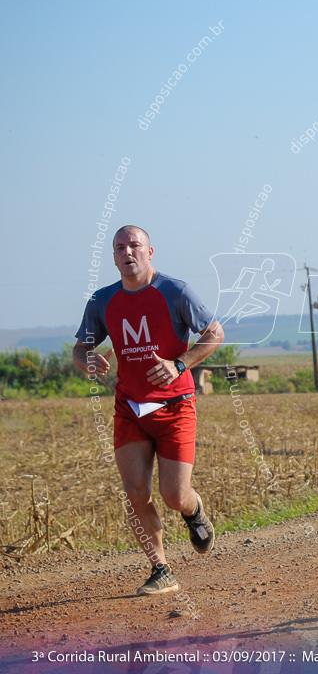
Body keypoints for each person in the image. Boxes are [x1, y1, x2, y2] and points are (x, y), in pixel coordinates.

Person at [73, 226, 224, 595]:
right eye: (120, 247)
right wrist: (87, 361)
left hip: (175, 406)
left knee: (174, 495)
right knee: (135, 491)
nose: (128, 252)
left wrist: (180, 363)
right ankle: (161, 569)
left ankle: (193, 511)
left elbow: (215, 334)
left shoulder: (176, 291)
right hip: (129, 408)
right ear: (114, 257)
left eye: (134, 246)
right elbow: (79, 349)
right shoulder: (102, 300)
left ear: (150, 251)